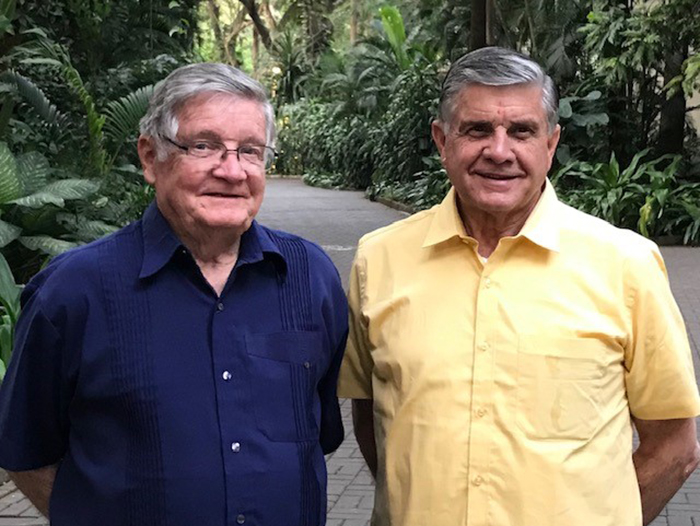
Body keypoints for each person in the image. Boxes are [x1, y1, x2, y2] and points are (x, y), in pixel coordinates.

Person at [338, 46, 700, 526]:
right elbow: (373, 416)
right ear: (441, 140)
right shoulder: (378, 259)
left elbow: (675, 446)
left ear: (550, 144)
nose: (500, 150)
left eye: (522, 131)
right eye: (477, 129)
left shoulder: (625, 263)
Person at [0, 63, 348, 526]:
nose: (232, 170)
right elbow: (27, 452)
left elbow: (317, 434)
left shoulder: (310, 277)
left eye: (250, 150)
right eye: (204, 146)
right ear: (149, 157)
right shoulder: (73, 292)